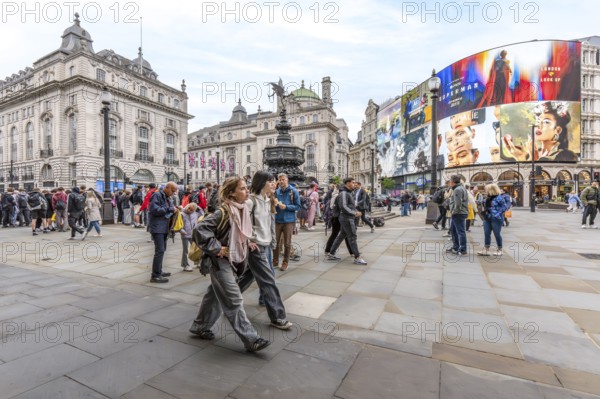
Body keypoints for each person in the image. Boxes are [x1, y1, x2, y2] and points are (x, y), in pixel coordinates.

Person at [189, 176, 272, 352]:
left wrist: (247, 242)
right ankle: (251, 339)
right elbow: (199, 230)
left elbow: (239, 233)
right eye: (242, 189)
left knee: (213, 295)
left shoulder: (242, 209)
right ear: (232, 193)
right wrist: (217, 247)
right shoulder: (223, 212)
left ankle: (199, 326)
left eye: (246, 187)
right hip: (219, 261)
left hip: (233, 259)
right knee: (234, 298)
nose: (247, 191)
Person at [237, 171, 292, 329]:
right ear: (262, 182)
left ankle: (227, 298)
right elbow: (240, 223)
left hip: (266, 244)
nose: (273, 183)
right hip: (256, 246)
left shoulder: (268, 200)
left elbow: (269, 224)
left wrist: (273, 241)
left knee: (248, 276)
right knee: (268, 280)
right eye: (270, 181)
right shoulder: (250, 201)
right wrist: (249, 240)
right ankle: (278, 317)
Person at [504, 101, 577, 162]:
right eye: (538, 121)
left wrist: (533, 158)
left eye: (546, 122)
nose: (538, 125)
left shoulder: (566, 156)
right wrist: (520, 157)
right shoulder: (531, 152)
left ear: (557, 130)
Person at [326, 177, 367, 265]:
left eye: (355, 182)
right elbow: (343, 206)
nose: (354, 184)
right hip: (347, 218)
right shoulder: (344, 193)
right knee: (352, 237)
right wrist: (354, 213)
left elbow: (348, 206)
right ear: (347, 183)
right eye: (353, 182)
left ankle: (331, 254)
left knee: (341, 236)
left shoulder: (348, 193)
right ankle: (357, 257)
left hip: (347, 217)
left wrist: (354, 211)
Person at [148, 181, 179, 283]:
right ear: (167, 187)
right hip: (158, 227)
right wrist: (170, 209)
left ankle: (159, 271)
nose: (173, 193)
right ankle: (155, 275)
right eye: (173, 191)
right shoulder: (157, 195)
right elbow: (154, 210)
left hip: (163, 227)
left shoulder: (166, 196)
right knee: (160, 250)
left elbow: (167, 209)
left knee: (162, 250)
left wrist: (175, 208)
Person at [274, 173, 301, 271]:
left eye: (283, 179)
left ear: (287, 180)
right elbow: (274, 204)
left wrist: (286, 207)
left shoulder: (293, 191)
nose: (281, 181)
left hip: (289, 221)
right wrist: (275, 204)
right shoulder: (277, 192)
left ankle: (285, 262)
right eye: (279, 180)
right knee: (275, 242)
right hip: (278, 220)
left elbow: (298, 206)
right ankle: (275, 261)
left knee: (287, 243)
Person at [324, 184, 354, 256]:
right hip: (338, 217)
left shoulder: (336, 195)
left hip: (336, 217)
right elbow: (338, 206)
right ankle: (329, 250)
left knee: (342, 234)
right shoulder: (338, 196)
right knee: (342, 234)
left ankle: (328, 250)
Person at [477, 184, 507, 256]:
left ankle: (500, 249)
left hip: (496, 218)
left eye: (487, 190)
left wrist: (497, 214)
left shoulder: (499, 198)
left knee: (497, 234)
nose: (486, 191)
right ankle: (486, 249)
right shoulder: (488, 198)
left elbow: (504, 207)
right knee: (487, 233)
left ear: (492, 190)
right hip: (487, 218)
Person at [447, 175, 469, 255]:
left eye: (450, 181)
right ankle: (455, 247)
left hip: (458, 213)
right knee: (453, 230)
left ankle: (463, 249)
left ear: (452, 182)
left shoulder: (457, 190)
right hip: (460, 213)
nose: (449, 183)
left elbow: (458, 203)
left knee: (460, 232)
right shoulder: (461, 188)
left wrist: (454, 212)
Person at [180, 202, 201, 272]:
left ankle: (197, 262)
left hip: (193, 234)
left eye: (191, 210)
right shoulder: (182, 214)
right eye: (189, 208)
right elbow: (179, 224)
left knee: (196, 248)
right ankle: (185, 265)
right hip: (185, 234)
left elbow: (202, 214)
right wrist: (181, 230)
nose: (189, 210)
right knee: (185, 250)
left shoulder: (195, 214)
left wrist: (198, 208)